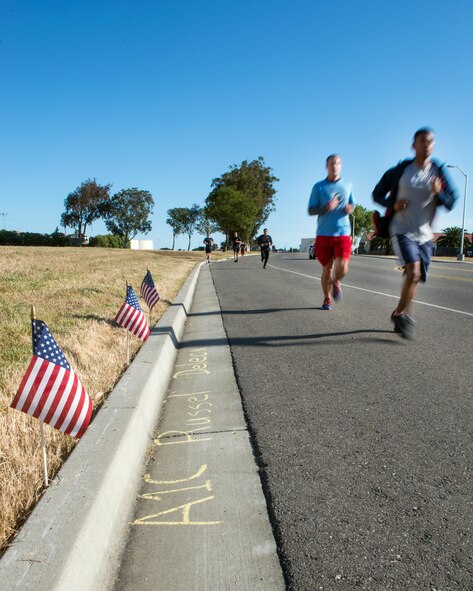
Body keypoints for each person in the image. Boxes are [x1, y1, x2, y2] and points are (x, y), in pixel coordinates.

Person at [372, 127, 458, 339]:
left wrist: (440, 194)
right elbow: (377, 194)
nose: (426, 145)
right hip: (402, 229)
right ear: (414, 145)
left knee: (413, 277)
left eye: (430, 141)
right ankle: (399, 314)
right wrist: (394, 204)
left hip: (426, 234)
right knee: (414, 272)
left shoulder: (438, 171)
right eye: (422, 141)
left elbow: (451, 200)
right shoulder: (402, 170)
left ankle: (402, 316)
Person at [308, 154, 355, 310]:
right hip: (323, 233)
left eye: (337, 163)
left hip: (343, 232)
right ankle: (327, 299)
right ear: (326, 166)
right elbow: (311, 209)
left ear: (341, 165)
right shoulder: (318, 187)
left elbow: (352, 204)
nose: (335, 166)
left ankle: (336, 282)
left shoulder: (347, 186)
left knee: (343, 268)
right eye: (332, 163)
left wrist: (350, 208)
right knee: (327, 270)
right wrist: (326, 208)